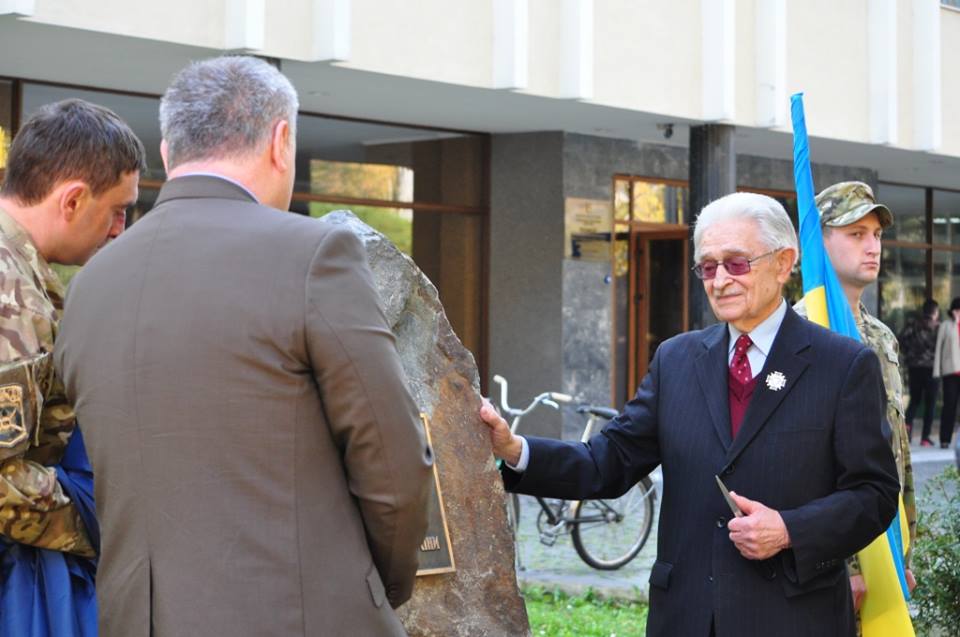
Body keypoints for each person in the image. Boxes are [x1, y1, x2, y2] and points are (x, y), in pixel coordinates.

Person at [54, 56, 433, 637]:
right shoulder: (314, 255)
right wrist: (371, 587)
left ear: (167, 152)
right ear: (281, 142)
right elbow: (393, 464)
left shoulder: (91, 285)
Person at [482, 192, 899, 637]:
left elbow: (873, 494)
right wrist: (515, 450)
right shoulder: (676, 360)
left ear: (783, 263)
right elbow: (609, 461)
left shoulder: (842, 365)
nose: (720, 280)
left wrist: (788, 529)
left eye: (736, 263)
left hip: (793, 618)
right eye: (708, 267)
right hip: (686, 617)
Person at [0, 98, 144, 636]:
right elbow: (3, 481)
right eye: (117, 210)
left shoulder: (24, 272)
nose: (119, 229)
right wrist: (100, 522)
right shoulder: (10, 292)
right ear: (73, 199)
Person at [793, 181, 917, 618]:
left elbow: (895, 450)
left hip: (885, 546)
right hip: (832, 565)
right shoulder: (797, 335)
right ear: (819, 242)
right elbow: (803, 460)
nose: (873, 246)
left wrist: (903, 550)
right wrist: (842, 565)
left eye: (877, 235)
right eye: (856, 234)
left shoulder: (881, 336)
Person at [900, 298, 940, 446]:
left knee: (914, 401)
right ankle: (925, 438)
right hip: (932, 369)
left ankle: (907, 432)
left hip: (914, 368)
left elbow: (901, 340)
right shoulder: (938, 327)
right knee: (930, 404)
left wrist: (909, 355)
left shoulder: (912, 325)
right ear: (935, 312)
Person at [933, 297, 960, 450]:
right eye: (957, 310)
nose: (959, 313)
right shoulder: (946, 326)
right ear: (952, 311)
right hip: (950, 373)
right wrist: (937, 371)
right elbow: (938, 349)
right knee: (949, 406)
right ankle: (945, 439)